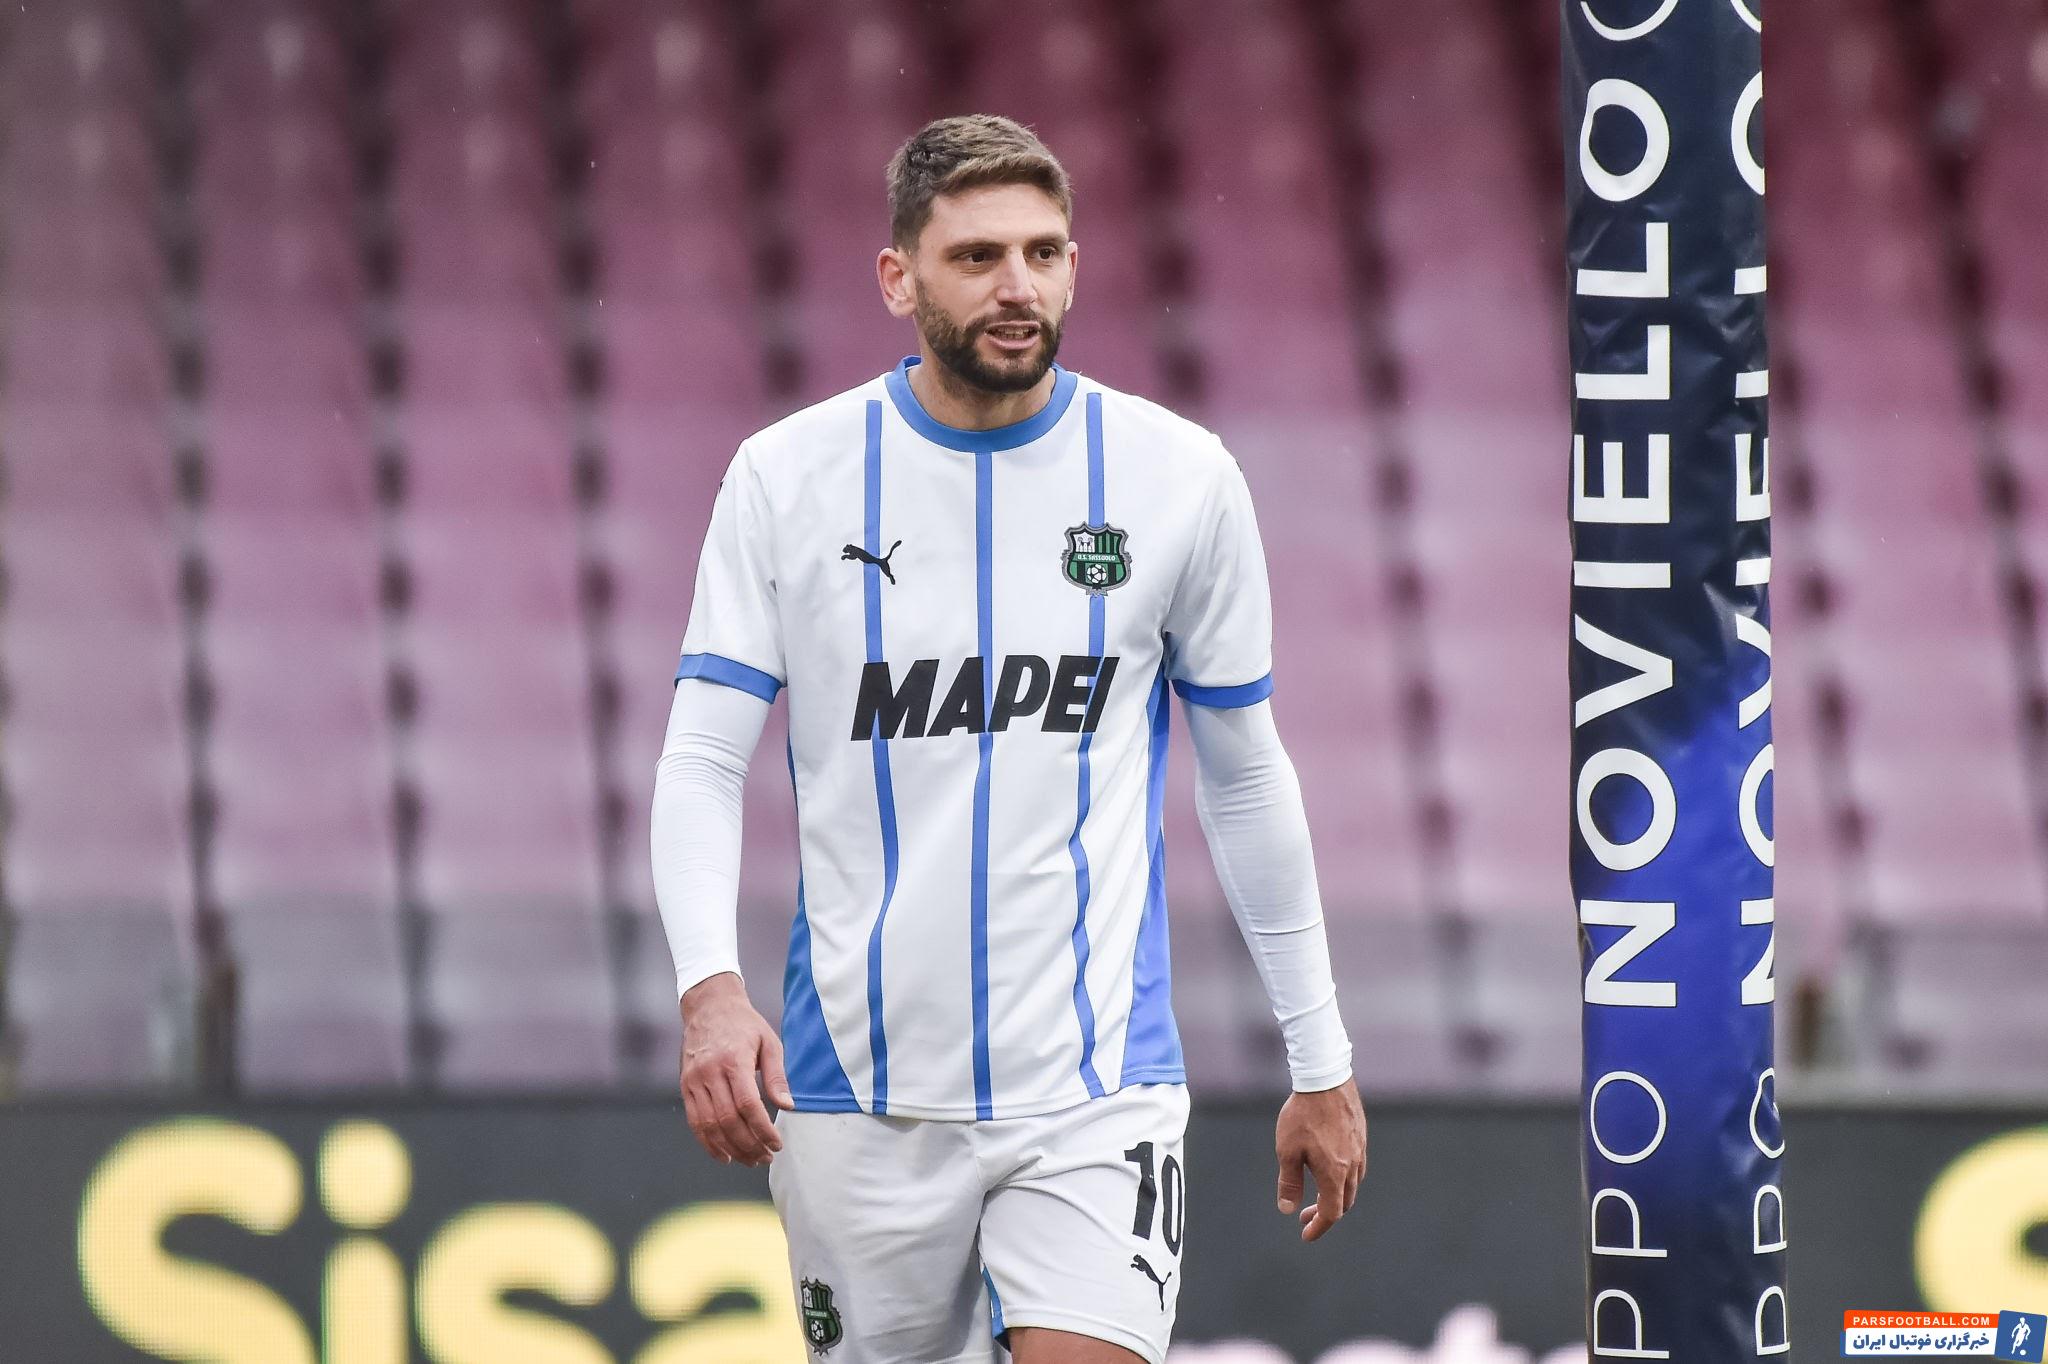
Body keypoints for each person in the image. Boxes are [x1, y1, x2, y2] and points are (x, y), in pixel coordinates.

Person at [652, 114, 1366, 1364]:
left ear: (1075, 267)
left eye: (1041, 253)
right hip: (856, 1092)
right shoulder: (785, 478)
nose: (1016, 286)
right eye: (976, 256)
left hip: (1095, 1091)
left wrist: (1320, 1052)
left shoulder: (1178, 478)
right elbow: (704, 758)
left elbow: (1246, 773)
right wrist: (709, 989)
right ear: (898, 278)